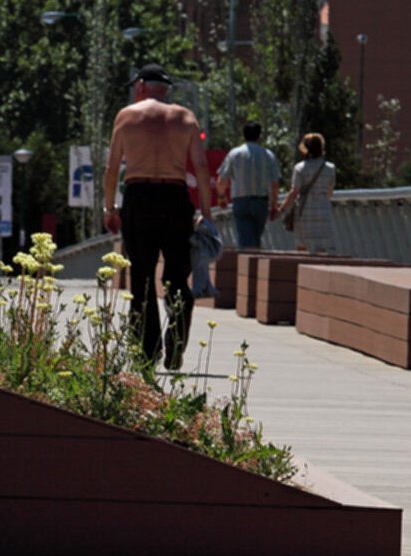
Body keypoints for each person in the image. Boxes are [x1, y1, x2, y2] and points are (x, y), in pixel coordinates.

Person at [105, 63, 214, 369]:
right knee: (178, 276)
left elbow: (112, 168)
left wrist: (109, 207)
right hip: (175, 196)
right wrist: (206, 213)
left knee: (140, 276)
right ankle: (176, 340)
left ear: (140, 86)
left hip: (138, 197)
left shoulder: (127, 116)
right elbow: (202, 169)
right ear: (166, 89)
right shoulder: (185, 118)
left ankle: (147, 350)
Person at [216, 122, 281, 250]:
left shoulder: (234, 154)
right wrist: (274, 204)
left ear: (243, 135)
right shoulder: (268, 155)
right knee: (255, 238)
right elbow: (275, 183)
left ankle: (248, 267)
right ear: (259, 136)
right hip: (261, 202)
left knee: (246, 240)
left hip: (241, 201)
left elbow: (222, 180)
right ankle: (253, 266)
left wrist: (222, 197)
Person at [274, 133, 337, 254]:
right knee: (322, 249)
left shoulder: (300, 168)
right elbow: (329, 192)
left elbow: (294, 192)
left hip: (304, 212)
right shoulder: (330, 168)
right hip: (323, 211)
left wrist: (282, 209)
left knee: (302, 247)